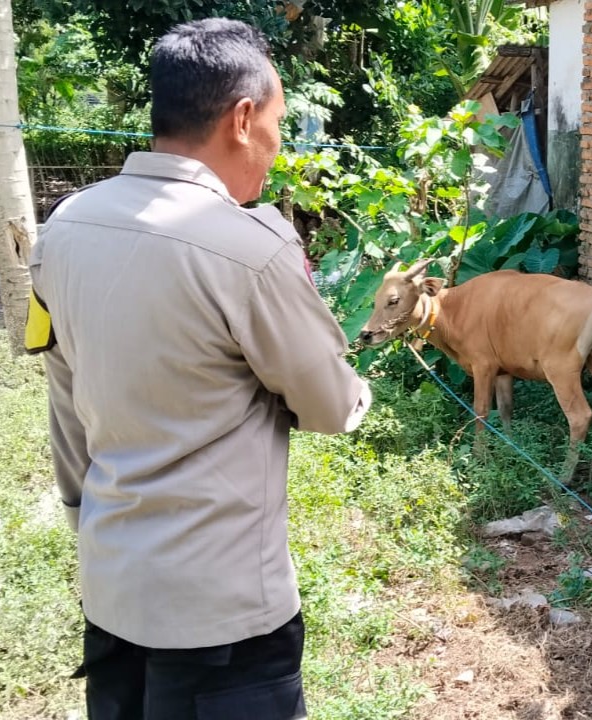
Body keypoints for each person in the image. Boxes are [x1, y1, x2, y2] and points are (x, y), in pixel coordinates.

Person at [26, 18, 371, 720]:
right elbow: (332, 407)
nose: (277, 152)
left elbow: (64, 398)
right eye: (277, 127)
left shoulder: (65, 226)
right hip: (225, 621)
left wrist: (82, 517)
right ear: (242, 119)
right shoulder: (249, 249)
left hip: (113, 587)